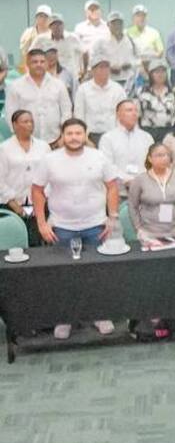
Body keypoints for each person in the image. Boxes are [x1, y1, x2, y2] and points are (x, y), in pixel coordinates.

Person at [31, 118, 120, 338]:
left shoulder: (99, 157)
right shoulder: (50, 160)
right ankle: (65, 318)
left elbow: (112, 187)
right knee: (64, 275)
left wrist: (112, 217)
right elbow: (37, 190)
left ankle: (100, 314)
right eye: (69, 133)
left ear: (85, 134)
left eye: (78, 133)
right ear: (62, 136)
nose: (74, 137)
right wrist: (42, 222)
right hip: (62, 226)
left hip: (95, 225)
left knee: (97, 274)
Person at [126, 143, 175, 241]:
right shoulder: (140, 180)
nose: (164, 158)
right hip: (149, 233)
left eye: (167, 155)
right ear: (150, 158)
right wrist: (139, 229)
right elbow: (132, 206)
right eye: (159, 155)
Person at [1, 109, 52, 246]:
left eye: (31, 122)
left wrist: (41, 201)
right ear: (14, 125)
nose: (29, 125)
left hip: (40, 204)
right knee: (16, 243)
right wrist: (15, 205)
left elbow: (50, 175)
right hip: (12, 203)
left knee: (38, 242)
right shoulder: (4, 148)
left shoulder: (43, 146)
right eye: (25, 122)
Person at [7, 47, 71, 143]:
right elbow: (10, 113)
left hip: (55, 141)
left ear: (47, 64)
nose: (39, 65)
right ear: (28, 64)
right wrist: (18, 136)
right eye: (35, 62)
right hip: (27, 141)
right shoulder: (16, 86)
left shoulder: (58, 84)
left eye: (42, 62)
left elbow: (66, 111)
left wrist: (64, 135)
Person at [98, 99, 155, 197]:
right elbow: (107, 166)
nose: (134, 113)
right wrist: (127, 180)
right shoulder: (108, 138)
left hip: (144, 192)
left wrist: (140, 182)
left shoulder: (147, 137)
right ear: (118, 114)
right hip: (118, 192)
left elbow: (152, 163)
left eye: (136, 111)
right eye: (129, 110)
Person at [75, 60, 125, 142]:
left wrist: (118, 136)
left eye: (107, 67)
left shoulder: (118, 89)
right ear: (93, 70)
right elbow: (79, 115)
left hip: (112, 135)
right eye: (101, 67)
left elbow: (122, 115)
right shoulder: (83, 89)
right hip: (89, 135)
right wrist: (84, 137)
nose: (104, 70)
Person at [91, 11, 139, 93]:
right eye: (113, 23)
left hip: (128, 80)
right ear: (108, 25)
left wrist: (130, 64)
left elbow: (138, 59)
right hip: (108, 80)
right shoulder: (101, 42)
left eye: (119, 23)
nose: (117, 26)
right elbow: (93, 60)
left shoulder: (131, 40)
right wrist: (109, 68)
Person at [138, 60, 175, 142]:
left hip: (168, 131)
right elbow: (137, 113)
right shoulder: (141, 91)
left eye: (163, 71)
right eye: (157, 72)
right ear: (151, 74)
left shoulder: (173, 92)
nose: (160, 74)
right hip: (148, 131)